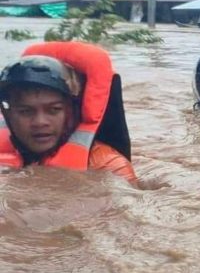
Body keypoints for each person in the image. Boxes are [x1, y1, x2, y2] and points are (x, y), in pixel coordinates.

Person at [0, 42, 137, 184]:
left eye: (54, 110)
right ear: (8, 115)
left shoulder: (109, 166)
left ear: (72, 112)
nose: (40, 122)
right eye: (26, 111)